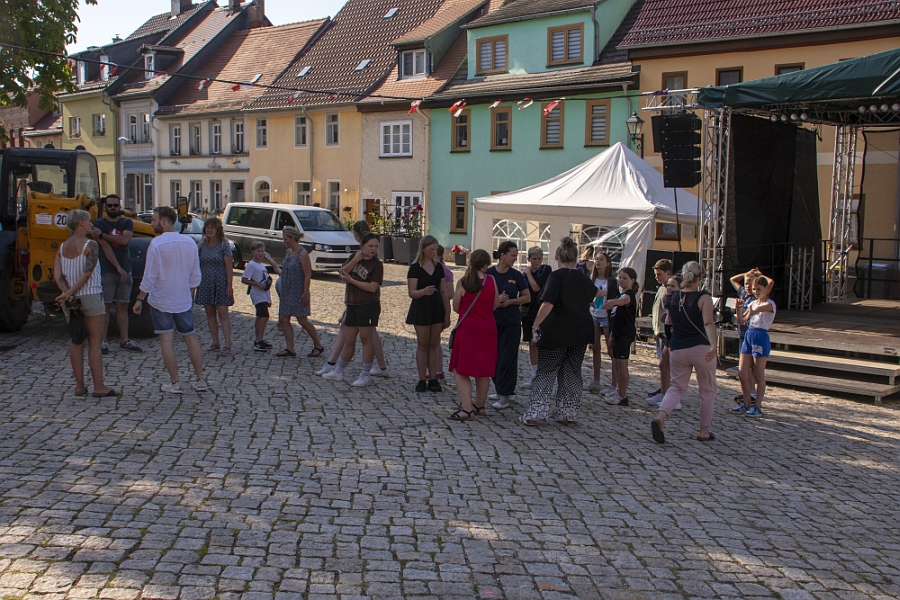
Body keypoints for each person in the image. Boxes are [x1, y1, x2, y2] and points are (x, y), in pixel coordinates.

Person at [521, 237, 595, 426]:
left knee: (546, 371)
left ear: (558, 257)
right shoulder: (582, 277)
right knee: (572, 372)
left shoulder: (556, 276)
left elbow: (548, 303)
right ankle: (568, 413)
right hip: (579, 331)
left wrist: (536, 324)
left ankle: (536, 412)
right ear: (575, 258)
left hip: (556, 331)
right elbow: (591, 298)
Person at [133, 206, 207, 394]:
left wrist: (140, 298)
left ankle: (176, 382)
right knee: (191, 338)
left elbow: (149, 276)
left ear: (163, 221)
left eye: (153, 220)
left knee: (166, 341)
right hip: (183, 299)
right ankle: (200, 380)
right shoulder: (190, 243)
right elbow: (195, 275)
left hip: (162, 300)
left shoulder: (157, 244)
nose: (151, 224)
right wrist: (189, 295)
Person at [651, 261, 718, 444]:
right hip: (701, 347)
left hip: (678, 348)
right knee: (707, 390)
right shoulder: (704, 298)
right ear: (700, 277)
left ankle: (661, 417)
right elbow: (708, 322)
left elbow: (669, 321)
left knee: (676, 387)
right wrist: (714, 345)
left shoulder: (671, 298)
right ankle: (704, 431)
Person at [55, 210, 116, 397]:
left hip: (70, 300)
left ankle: (80, 386)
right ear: (81, 222)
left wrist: (67, 292)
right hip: (90, 295)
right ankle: (99, 386)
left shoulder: (62, 247)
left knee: (76, 341)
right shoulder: (91, 245)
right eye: (89, 221)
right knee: (95, 342)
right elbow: (87, 273)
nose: (91, 224)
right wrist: (71, 292)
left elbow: (58, 274)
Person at [318, 220, 390, 377]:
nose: (373, 249)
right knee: (349, 337)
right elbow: (342, 272)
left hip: (368, 302)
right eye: (370, 246)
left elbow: (372, 287)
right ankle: (337, 369)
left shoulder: (376, 263)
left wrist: (352, 280)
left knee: (367, 337)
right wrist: (355, 260)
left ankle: (367, 372)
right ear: (362, 245)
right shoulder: (355, 256)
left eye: (376, 246)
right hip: (352, 302)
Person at [448, 249, 499, 420]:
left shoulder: (463, 282)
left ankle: (466, 408)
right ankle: (480, 405)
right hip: (488, 328)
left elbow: (456, 307)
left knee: (461, 369)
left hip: (468, 329)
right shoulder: (491, 280)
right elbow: (495, 304)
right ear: (485, 265)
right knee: (484, 369)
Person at [92, 193, 142, 355]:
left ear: (119, 206)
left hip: (125, 269)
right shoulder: (99, 223)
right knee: (105, 306)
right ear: (105, 207)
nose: (112, 208)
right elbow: (105, 247)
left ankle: (124, 340)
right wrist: (118, 267)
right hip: (107, 270)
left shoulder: (126, 222)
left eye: (115, 205)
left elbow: (124, 240)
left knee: (123, 305)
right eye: (110, 205)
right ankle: (102, 341)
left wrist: (103, 235)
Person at [487, 241, 530, 409]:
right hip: (492, 321)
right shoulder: (490, 273)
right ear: (503, 255)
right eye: (513, 255)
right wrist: (496, 300)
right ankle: (500, 388)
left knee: (507, 358)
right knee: (493, 357)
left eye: (516, 255)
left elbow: (527, 297)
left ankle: (505, 394)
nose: (515, 258)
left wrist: (511, 301)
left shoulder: (516, 275)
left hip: (511, 322)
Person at [406, 235, 450, 392]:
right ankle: (421, 379)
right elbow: (411, 292)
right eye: (431, 249)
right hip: (421, 308)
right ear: (423, 249)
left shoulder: (439, 267)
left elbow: (444, 291)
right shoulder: (415, 268)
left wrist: (447, 314)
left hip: (436, 307)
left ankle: (433, 378)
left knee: (433, 344)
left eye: (436, 249)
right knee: (423, 344)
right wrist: (423, 292)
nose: (434, 252)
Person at [733, 275, 776, 417]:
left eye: (759, 289)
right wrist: (739, 309)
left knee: (758, 374)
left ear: (766, 289)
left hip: (760, 336)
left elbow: (759, 308)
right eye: (754, 289)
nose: (756, 292)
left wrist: (752, 309)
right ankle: (746, 403)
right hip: (749, 335)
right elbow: (742, 320)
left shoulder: (770, 304)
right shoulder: (752, 303)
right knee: (742, 373)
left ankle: (757, 406)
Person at [278, 226, 324, 357]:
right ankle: (290, 348)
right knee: (284, 318)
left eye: (286, 239)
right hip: (287, 290)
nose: (284, 241)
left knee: (302, 320)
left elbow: (307, 274)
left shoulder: (302, 254)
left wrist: (305, 292)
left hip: (298, 290)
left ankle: (318, 345)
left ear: (292, 238)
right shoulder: (288, 252)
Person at [195, 217, 234, 355]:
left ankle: (227, 344)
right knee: (210, 314)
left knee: (223, 314)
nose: (209, 230)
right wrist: (200, 243)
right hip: (206, 283)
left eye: (212, 227)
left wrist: (229, 285)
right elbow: (192, 256)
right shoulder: (203, 246)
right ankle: (215, 342)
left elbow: (229, 267)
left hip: (220, 283)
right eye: (207, 227)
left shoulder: (224, 245)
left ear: (218, 230)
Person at [603, 268, 639, 405]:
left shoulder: (628, 295)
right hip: (617, 334)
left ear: (632, 280)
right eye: (620, 277)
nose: (621, 280)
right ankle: (618, 390)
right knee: (617, 363)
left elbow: (624, 301)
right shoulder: (620, 295)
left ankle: (623, 395)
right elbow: (616, 319)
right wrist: (611, 335)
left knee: (623, 365)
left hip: (625, 334)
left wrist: (612, 302)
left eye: (625, 278)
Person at [587, 250, 618, 394]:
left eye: (601, 259)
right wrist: (590, 302)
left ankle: (614, 383)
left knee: (610, 349)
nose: (598, 262)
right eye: (597, 259)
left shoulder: (611, 281)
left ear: (608, 263)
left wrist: (609, 304)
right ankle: (596, 380)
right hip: (594, 314)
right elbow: (586, 295)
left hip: (606, 316)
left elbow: (615, 297)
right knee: (595, 348)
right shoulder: (591, 279)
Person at [521, 247, 551, 389]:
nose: (537, 261)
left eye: (539, 259)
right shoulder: (523, 275)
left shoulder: (545, 270)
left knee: (541, 343)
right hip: (528, 311)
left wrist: (528, 273)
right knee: (531, 343)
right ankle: (534, 374)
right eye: (534, 259)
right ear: (529, 259)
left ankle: (544, 374)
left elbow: (536, 287)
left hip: (540, 311)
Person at [242, 241, 279, 352]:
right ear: (253, 252)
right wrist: (257, 284)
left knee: (260, 316)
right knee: (264, 316)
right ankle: (258, 339)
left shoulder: (261, 265)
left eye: (262, 251)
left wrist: (268, 298)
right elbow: (244, 279)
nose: (260, 253)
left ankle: (260, 338)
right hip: (257, 294)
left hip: (264, 294)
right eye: (258, 251)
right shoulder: (251, 265)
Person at [646, 259, 673, 405]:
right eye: (655, 274)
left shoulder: (670, 289)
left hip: (665, 331)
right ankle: (663, 388)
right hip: (659, 331)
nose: (657, 277)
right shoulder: (661, 288)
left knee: (666, 364)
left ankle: (667, 392)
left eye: (659, 274)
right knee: (662, 364)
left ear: (668, 273)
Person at [435, 244, 455, 384]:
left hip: (439, 308)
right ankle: (435, 370)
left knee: (435, 342)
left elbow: (451, 294)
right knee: (432, 342)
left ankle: (438, 371)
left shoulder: (444, 271)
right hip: (430, 308)